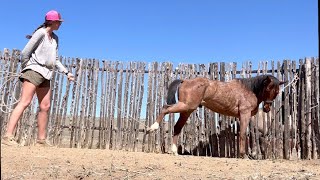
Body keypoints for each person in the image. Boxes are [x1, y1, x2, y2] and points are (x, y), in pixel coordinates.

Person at [1, 10, 74, 147]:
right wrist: (27, 68)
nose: (60, 24)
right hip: (34, 70)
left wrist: (66, 72)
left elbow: (55, 59)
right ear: (52, 21)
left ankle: (41, 140)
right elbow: (25, 53)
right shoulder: (40, 33)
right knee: (25, 102)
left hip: (47, 73)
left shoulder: (55, 39)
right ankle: (8, 136)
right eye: (58, 21)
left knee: (45, 106)